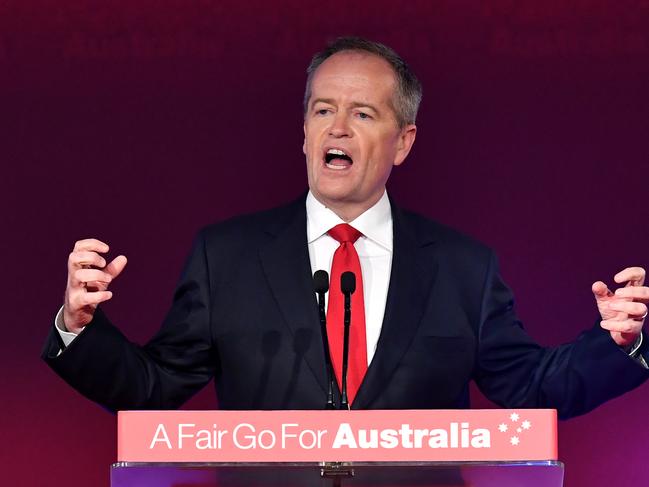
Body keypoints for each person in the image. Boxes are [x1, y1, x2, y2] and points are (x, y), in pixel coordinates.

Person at [43, 37, 649, 417]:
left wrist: (616, 344)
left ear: (403, 143)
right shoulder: (225, 257)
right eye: (322, 110)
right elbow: (152, 388)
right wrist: (78, 327)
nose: (336, 128)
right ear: (303, 132)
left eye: (362, 113)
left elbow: (531, 389)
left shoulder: (463, 268)